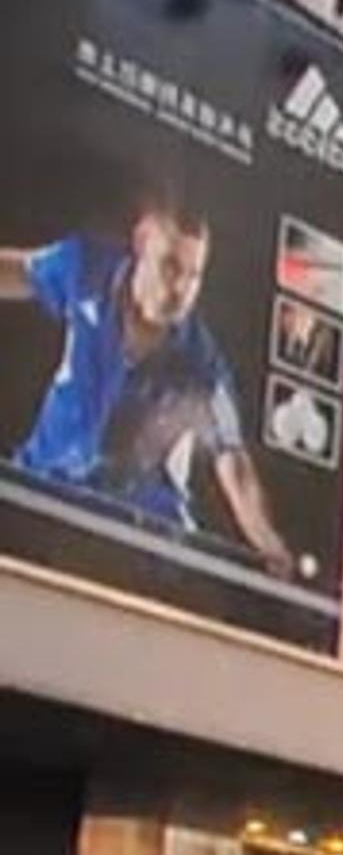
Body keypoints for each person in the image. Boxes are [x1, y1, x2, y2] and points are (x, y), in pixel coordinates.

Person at [1, 180, 310, 572]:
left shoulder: (205, 365)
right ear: (142, 241)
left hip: (134, 530)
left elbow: (233, 460)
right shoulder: (84, 267)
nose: (179, 289)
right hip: (40, 486)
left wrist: (268, 541)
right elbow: (19, 271)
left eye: (194, 276)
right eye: (170, 267)